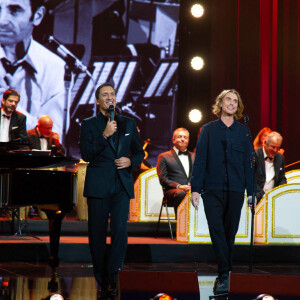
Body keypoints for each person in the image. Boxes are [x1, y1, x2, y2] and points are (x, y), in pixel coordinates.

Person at [79, 82, 144, 298]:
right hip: (98, 186)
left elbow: (139, 153)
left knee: (119, 234)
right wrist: (104, 135)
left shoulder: (128, 123)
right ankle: (101, 278)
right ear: (97, 100)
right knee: (96, 234)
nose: (110, 97)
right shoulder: (88, 124)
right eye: (105, 95)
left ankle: (115, 277)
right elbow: (87, 154)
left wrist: (130, 161)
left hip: (121, 186)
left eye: (113, 94)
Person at [190, 89, 254, 295]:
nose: (232, 103)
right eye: (228, 99)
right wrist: (195, 189)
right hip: (212, 189)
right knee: (217, 231)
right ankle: (225, 273)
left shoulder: (243, 131)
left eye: (235, 101)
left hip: (236, 189)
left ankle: (225, 273)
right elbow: (200, 161)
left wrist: (251, 191)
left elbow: (248, 165)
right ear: (220, 103)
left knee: (230, 233)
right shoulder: (208, 130)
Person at [0, 0, 65, 138]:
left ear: (38, 16)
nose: (2, 21)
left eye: (14, 10)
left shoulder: (54, 67)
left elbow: (52, 140)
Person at [156, 128, 195, 218]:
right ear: (173, 140)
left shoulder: (194, 156)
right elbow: (163, 179)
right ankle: (181, 227)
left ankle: (202, 228)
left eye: (185, 137)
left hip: (192, 190)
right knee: (181, 193)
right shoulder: (164, 156)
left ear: (188, 140)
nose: (182, 139)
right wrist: (179, 186)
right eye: (179, 137)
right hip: (173, 192)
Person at [255, 131, 287, 203]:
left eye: (278, 148)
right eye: (273, 147)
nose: (275, 150)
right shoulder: (254, 155)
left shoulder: (280, 158)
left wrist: (279, 193)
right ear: (265, 142)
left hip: (273, 199)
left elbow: (282, 178)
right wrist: (263, 196)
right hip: (257, 197)